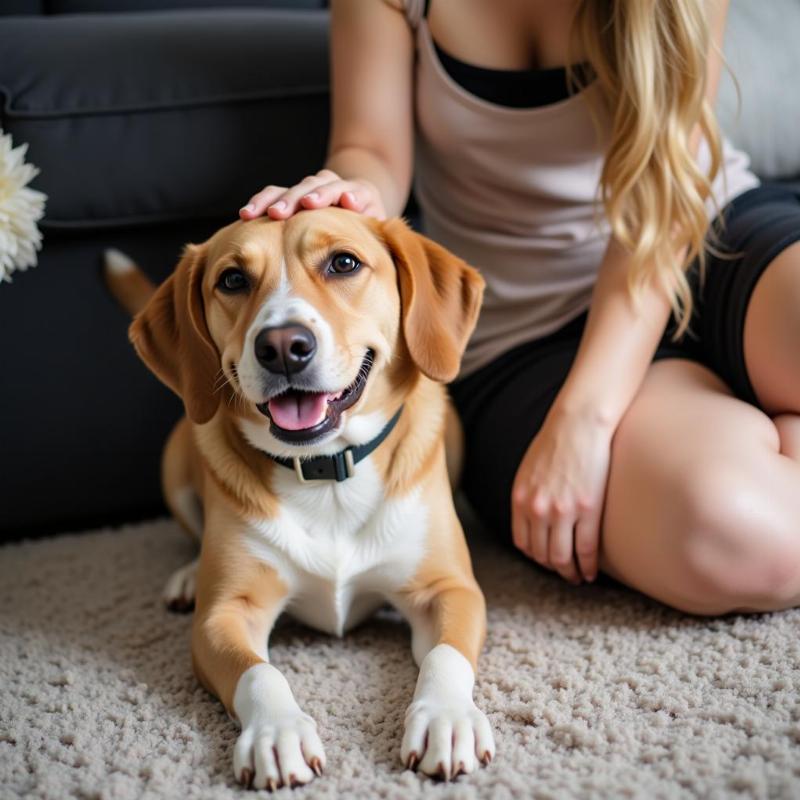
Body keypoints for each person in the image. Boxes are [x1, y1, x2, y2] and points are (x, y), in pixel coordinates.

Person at [239, 0, 800, 617]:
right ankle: (733, 424)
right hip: (524, 330)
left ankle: (732, 421)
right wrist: (352, 193)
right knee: (753, 544)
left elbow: (660, 196)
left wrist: (586, 420)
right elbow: (369, 144)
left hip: (697, 234)